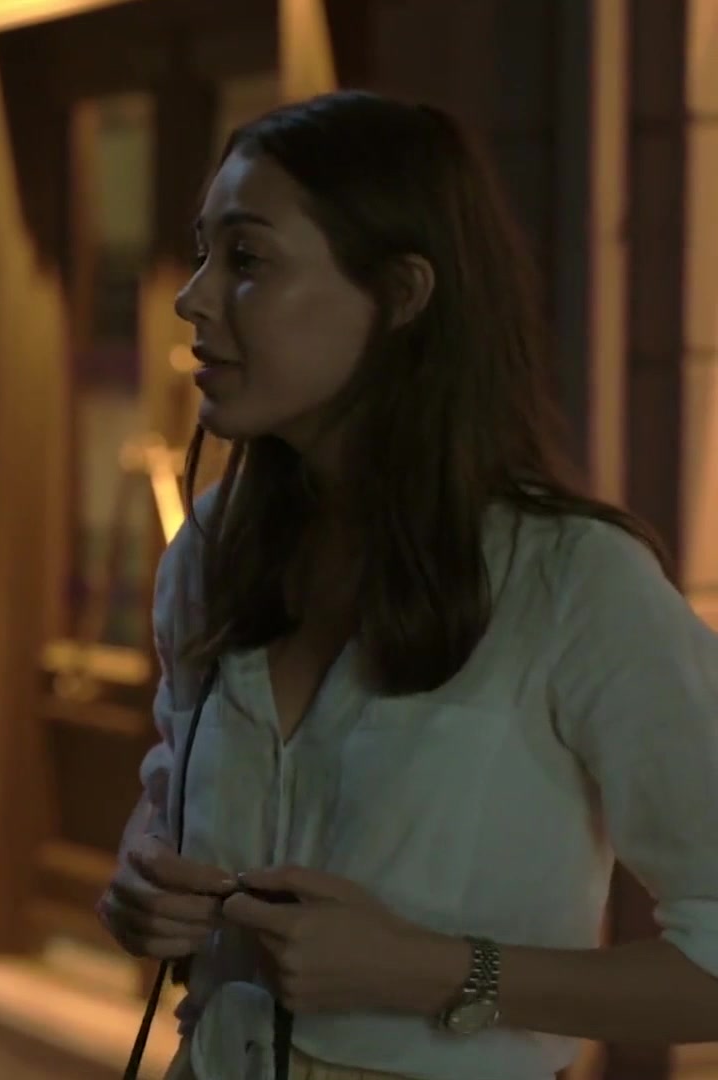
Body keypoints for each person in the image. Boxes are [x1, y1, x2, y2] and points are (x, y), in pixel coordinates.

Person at [95, 90, 718, 1079]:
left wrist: (435, 970)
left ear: (401, 293)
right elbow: (171, 792)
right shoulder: (212, 552)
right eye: (203, 251)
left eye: (246, 259)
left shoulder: (573, 582)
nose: (193, 297)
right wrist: (144, 884)